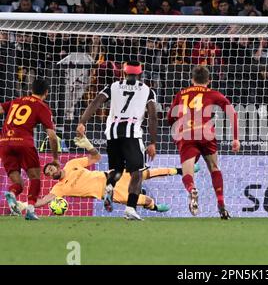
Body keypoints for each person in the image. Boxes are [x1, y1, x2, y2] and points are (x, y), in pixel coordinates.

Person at [17, 135, 200, 213]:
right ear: (52, 178)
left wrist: (87, 144)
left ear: (56, 165)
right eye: (49, 174)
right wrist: (26, 205)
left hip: (112, 176)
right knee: (146, 201)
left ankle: (182, 170)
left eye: (51, 168)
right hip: (110, 193)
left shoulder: (72, 163)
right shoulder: (59, 188)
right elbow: (43, 200)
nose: (51, 172)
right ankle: (155, 208)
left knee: (148, 173)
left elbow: (96, 158)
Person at [77, 61, 157, 221]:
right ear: (140, 74)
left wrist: (82, 122)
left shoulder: (113, 86)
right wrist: (153, 141)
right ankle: (130, 208)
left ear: (124, 72)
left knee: (117, 170)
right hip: (132, 134)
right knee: (137, 174)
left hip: (112, 133)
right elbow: (152, 116)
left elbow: (95, 102)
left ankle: (109, 187)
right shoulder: (148, 91)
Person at [167, 66, 240, 219]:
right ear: (209, 81)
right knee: (214, 167)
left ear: (192, 80)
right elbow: (232, 113)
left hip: (186, 134)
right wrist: (235, 138)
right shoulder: (213, 93)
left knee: (187, 173)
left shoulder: (181, 93)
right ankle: (221, 203)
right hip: (206, 133)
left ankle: (192, 189)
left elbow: (169, 117)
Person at [0, 79, 60, 220]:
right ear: (46, 92)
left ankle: (12, 194)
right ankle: (30, 210)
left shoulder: (16, 101)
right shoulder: (42, 106)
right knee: (35, 177)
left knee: (18, 183)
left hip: (4, 143)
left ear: (31, 89)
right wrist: (56, 158)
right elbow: (52, 136)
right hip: (24, 143)